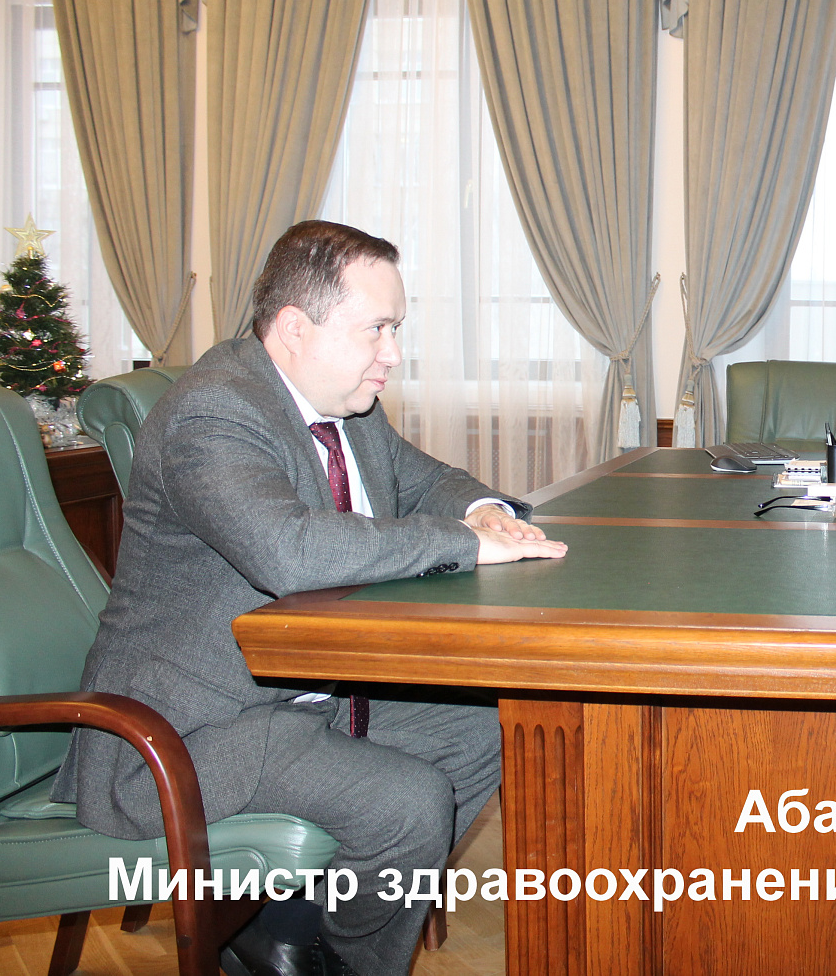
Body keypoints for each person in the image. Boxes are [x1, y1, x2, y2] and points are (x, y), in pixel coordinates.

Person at [53, 220, 568, 976]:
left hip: (293, 696)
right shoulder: (212, 413)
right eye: (377, 329)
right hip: (183, 731)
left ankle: (301, 933)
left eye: (396, 329)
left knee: (479, 724)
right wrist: (462, 544)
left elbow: (424, 479)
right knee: (408, 802)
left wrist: (484, 511)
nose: (393, 354)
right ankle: (344, 960)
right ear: (296, 328)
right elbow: (290, 551)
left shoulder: (344, 403)